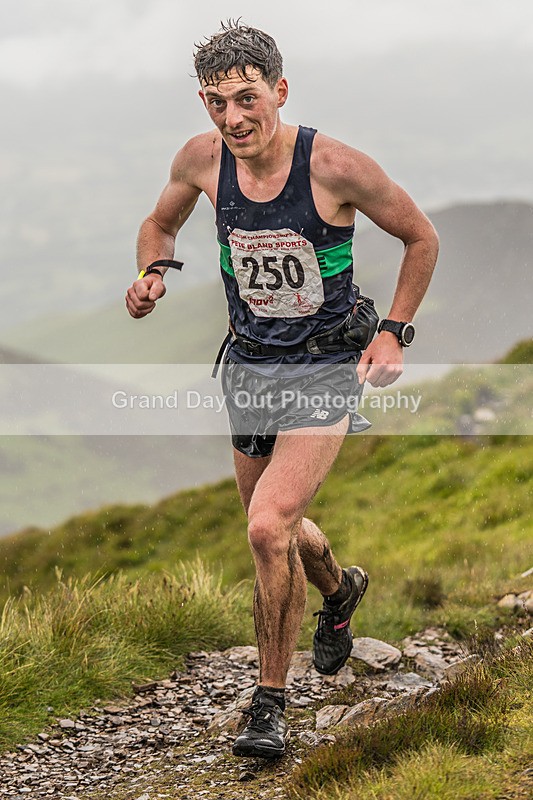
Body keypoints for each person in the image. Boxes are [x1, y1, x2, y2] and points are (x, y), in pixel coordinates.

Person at [125, 21, 439, 759]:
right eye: (215, 101)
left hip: (324, 366)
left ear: (279, 90)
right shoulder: (201, 159)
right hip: (248, 366)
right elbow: (159, 222)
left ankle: (268, 705)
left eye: (246, 98)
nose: (231, 118)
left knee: (266, 527)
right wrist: (152, 274)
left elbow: (420, 237)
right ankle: (339, 592)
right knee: (282, 528)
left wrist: (394, 330)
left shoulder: (333, 165)